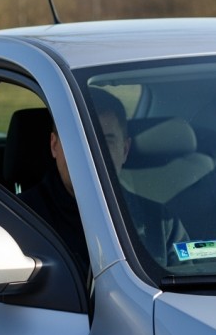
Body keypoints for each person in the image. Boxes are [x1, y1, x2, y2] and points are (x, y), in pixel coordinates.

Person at [20, 89, 186, 278]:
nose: (92, 154)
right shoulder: (19, 220)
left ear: (124, 150)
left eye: (106, 141)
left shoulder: (160, 223)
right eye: (77, 138)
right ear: (54, 145)